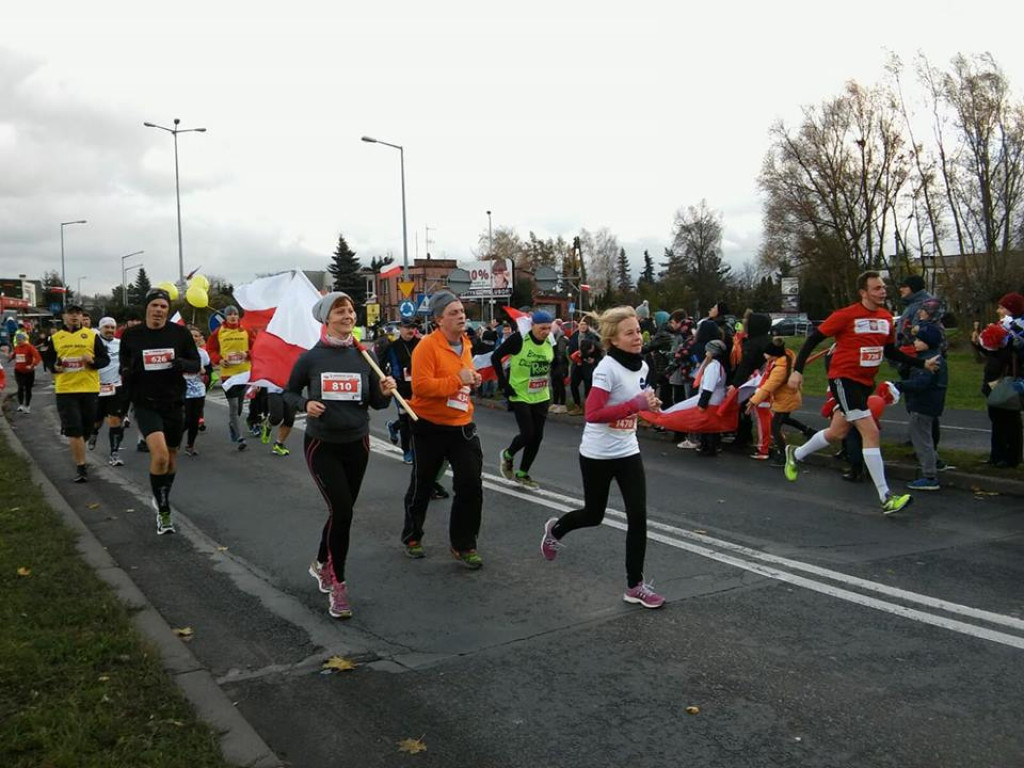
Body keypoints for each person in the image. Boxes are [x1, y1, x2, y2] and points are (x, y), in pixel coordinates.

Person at [539, 306, 665, 609]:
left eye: (638, 331)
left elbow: (635, 403)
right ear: (614, 339)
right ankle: (556, 530)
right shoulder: (606, 368)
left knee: (638, 516)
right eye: (629, 333)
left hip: (628, 450)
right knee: (594, 515)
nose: (637, 337)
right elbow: (593, 414)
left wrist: (649, 406)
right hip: (597, 454)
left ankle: (635, 586)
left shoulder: (643, 366)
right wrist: (633, 404)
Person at [783, 271, 939, 514]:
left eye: (883, 287)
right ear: (863, 293)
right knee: (871, 431)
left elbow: (891, 352)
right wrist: (797, 370)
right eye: (876, 288)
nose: (883, 291)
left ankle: (796, 453)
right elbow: (813, 340)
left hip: (865, 382)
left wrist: (922, 364)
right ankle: (886, 496)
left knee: (837, 432)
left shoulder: (886, 318)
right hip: (844, 380)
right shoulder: (846, 315)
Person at [284, 292, 396, 618]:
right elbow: (288, 393)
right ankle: (339, 585)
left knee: (340, 512)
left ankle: (321, 564)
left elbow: (375, 403)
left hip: (357, 443)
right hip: (322, 445)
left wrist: (385, 391)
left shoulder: (365, 355)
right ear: (326, 319)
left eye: (350, 310)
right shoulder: (311, 359)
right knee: (343, 511)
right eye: (340, 311)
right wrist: (306, 404)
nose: (348, 315)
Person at [401, 291, 485, 567]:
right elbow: (421, 387)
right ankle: (412, 536)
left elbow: (462, 380)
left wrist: (473, 379)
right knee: (423, 483)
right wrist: (456, 380)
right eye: (453, 312)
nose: (461, 316)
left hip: (462, 425)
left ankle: (464, 544)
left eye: (462, 311)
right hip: (430, 426)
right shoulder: (427, 347)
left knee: (471, 484)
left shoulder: (466, 344)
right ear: (439, 320)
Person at [119, 289, 201, 533]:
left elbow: (196, 363)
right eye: (154, 305)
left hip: (174, 402)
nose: (159, 310)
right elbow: (124, 365)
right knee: (161, 455)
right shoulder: (132, 335)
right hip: (145, 403)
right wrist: (127, 376)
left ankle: (161, 492)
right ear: (147, 308)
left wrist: (182, 364)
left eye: (163, 306)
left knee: (172, 457)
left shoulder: (180, 334)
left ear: (167, 310)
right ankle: (164, 511)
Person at [44, 304, 110, 482]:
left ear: (82, 317)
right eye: (71, 314)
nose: (74, 317)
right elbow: (48, 359)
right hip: (66, 390)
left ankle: (81, 445)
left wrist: (93, 361)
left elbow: (105, 359)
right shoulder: (56, 338)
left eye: (78, 314)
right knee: (75, 430)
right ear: (64, 317)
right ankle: (81, 467)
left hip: (89, 389)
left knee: (87, 428)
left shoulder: (91, 336)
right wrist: (54, 367)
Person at [494, 310, 554, 489]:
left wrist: (559, 368)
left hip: (541, 394)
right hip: (520, 393)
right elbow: (495, 357)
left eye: (549, 328)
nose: (545, 332)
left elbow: (554, 360)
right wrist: (504, 383)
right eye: (542, 328)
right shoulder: (519, 339)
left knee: (537, 437)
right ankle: (508, 455)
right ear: (532, 325)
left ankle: (522, 473)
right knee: (528, 433)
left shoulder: (550, 341)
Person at [972, 292, 1024, 468]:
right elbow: (993, 354)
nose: (998, 311)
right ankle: (997, 455)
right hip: (995, 377)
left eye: (1002, 308)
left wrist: (999, 341)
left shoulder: (1017, 330)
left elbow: (1010, 355)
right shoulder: (1003, 328)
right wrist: (980, 343)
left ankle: (1010, 457)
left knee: (1009, 418)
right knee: (996, 417)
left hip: (1007, 379)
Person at [895, 323, 948, 490]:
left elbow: (921, 383)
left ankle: (930, 475)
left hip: (923, 404)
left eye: (919, 339)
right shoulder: (926, 357)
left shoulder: (930, 361)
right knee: (926, 435)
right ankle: (936, 461)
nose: (915, 342)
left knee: (920, 438)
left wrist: (898, 385)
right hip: (928, 403)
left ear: (928, 342)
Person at [745, 337, 813, 464]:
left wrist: (754, 400)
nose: (764, 355)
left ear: (772, 354)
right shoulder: (781, 362)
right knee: (783, 420)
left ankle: (784, 454)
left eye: (766, 353)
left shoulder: (779, 368)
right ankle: (808, 431)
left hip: (785, 399)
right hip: (787, 398)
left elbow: (769, 386)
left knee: (775, 426)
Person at [206, 305, 255, 451]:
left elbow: (256, 347)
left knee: (239, 407)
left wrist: (247, 354)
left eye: (235, 314)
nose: (233, 317)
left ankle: (232, 425)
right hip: (228, 375)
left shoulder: (246, 330)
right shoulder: (218, 332)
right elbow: (211, 349)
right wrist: (219, 360)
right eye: (230, 314)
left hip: (244, 374)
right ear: (225, 317)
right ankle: (239, 437)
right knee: (233, 407)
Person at [90, 317, 129, 466]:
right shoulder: (94, 344)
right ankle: (94, 433)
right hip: (97, 388)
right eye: (106, 327)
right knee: (97, 422)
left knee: (115, 421)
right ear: (100, 329)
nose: (110, 330)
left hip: (116, 387)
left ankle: (114, 453)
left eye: (112, 328)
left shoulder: (120, 344)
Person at [694, 339, 729, 457]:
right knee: (711, 425)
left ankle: (709, 447)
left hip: (711, 401)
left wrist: (702, 403)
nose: (705, 354)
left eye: (707, 351)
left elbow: (708, 387)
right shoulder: (718, 366)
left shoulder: (712, 367)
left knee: (708, 425)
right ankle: (709, 446)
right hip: (716, 399)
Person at [183, 326, 211, 457]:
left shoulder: (203, 354)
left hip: (199, 391)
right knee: (186, 419)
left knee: (194, 420)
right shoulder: (180, 352)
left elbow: (208, 370)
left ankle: (190, 445)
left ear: (200, 338)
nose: (193, 338)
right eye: (191, 335)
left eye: (196, 336)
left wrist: (205, 373)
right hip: (183, 390)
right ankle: (172, 439)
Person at [568, 317, 602, 413]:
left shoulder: (592, 337)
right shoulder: (574, 336)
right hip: (576, 364)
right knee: (573, 385)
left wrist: (594, 360)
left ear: (588, 326)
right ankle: (577, 406)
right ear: (578, 325)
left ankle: (588, 406)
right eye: (581, 324)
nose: (582, 326)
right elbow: (570, 350)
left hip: (587, 365)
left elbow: (599, 353)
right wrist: (574, 357)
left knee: (588, 386)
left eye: (585, 324)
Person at [9, 330, 42, 413]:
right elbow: (14, 355)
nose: (19, 342)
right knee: (20, 387)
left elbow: (38, 357)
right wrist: (10, 357)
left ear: (24, 340)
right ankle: (20, 405)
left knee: (28, 389)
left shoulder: (30, 347)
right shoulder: (17, 347)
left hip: (29, 371)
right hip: (18, 371)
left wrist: (32, 365)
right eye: (17, 340)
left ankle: (27, 405)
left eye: (20, 340)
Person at [265, 383, 295, 456]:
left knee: (290, 419)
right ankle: (268, 424)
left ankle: (278, 444)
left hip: (292, 391)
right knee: (276, 418)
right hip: (274, 389)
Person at [549, 319, 570, 413]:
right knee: (554, 384)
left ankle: (562, 404)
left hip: (560, 364)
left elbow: (561, 352)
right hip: (554, 363)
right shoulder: (552, 337)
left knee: (560, 384)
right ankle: (555, 403)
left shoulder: (562, 338)